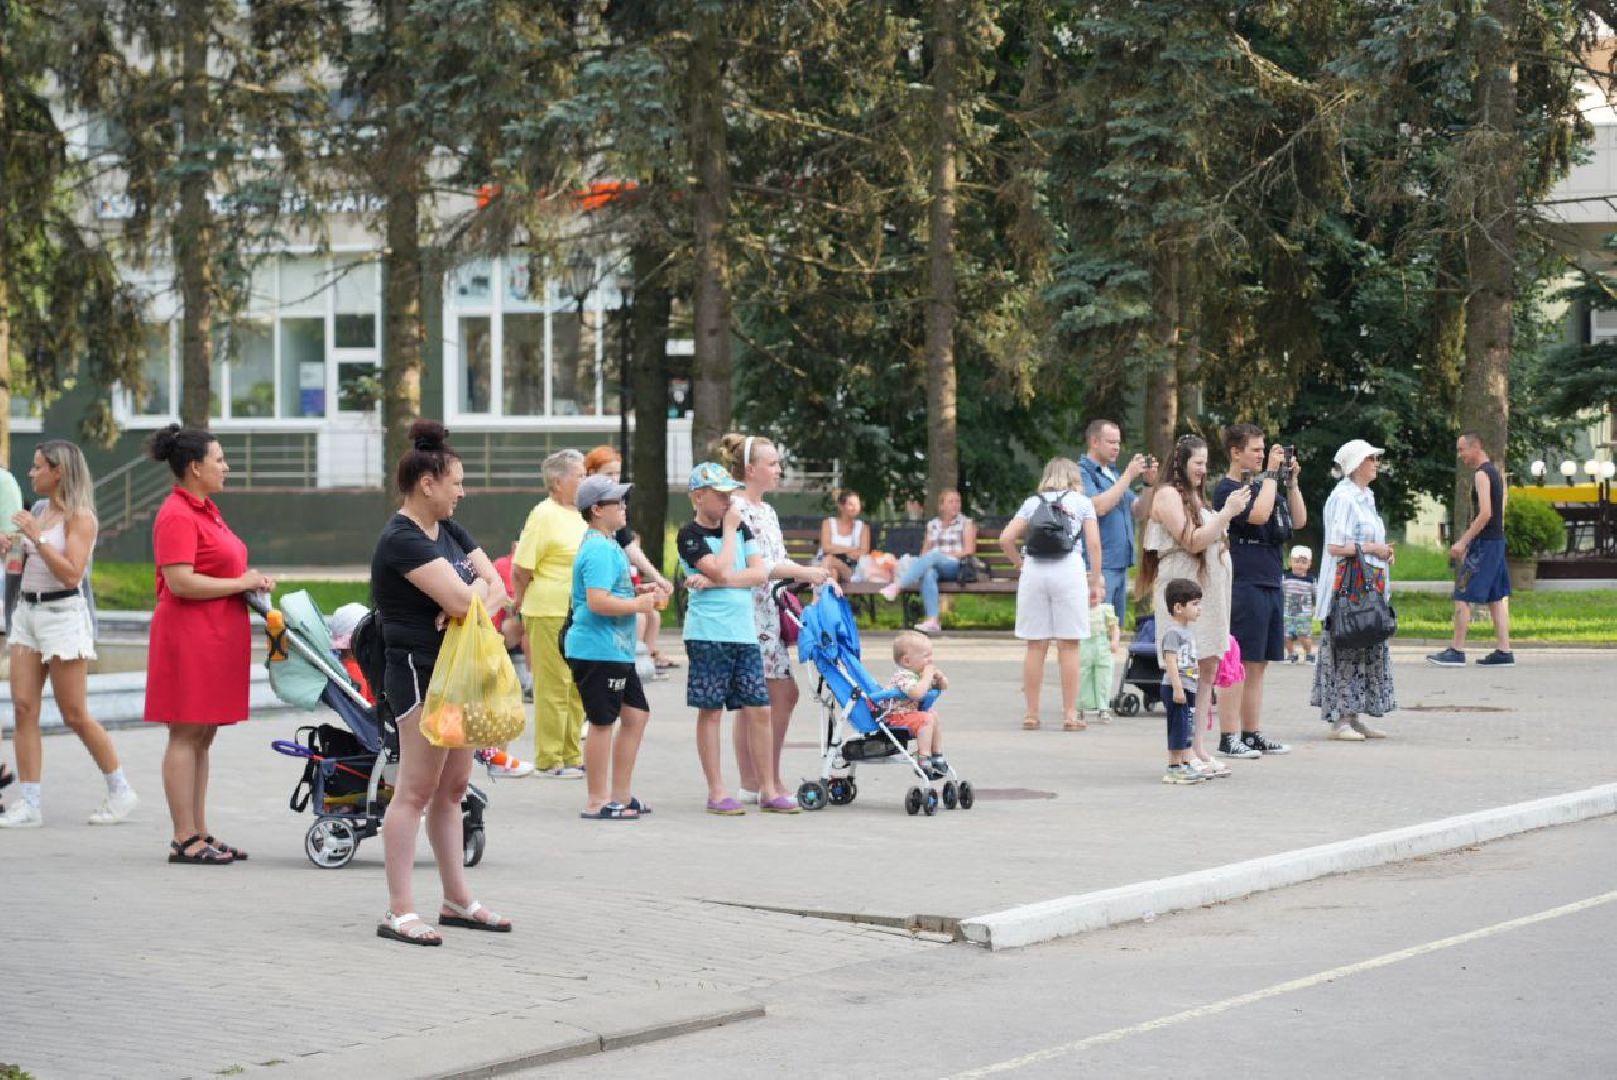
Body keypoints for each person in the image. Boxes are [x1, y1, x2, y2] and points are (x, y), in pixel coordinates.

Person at [371, 420, 512, 944]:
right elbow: (462, 600)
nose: (462, 491)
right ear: (426, 484)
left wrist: (468, 599)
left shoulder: (451, 532)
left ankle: (457, 900)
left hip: (459, 674)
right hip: (418, 674)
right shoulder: (402, 539)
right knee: (415, 789)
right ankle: (400, 910)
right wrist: (467, 600)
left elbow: (499, 585)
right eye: (455, 482)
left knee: (454, 789)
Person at [143, 425, 274, 864]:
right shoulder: (177, 513)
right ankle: (184, 836)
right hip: (188, 635)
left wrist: (251, 583)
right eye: (219, 459)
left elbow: (216, 567)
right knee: (185, 731)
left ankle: (198, 828)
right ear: (195, 467)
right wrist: (242, 581)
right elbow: (180, 582)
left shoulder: (205, 510)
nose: (226, 467)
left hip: (214, 634)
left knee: (203, 734)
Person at [0, 441, 136, 829]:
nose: (31, 473)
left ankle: (120, 788)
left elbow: (72, 573)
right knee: (24, 709)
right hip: (28, 612)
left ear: (58, 471)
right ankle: (29, 803)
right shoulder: (40, 511)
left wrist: (37, 540)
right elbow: (22, 566)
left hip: (63, 614)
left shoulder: (81, 518)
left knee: (74, 713)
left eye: (37, 466)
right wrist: (10, 548)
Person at [714, 433, 832, 807]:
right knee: (777, 693)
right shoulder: (736, 508)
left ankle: (756, 778)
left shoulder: (765, 510)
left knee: (762, 696)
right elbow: (759, 564)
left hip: (767, 608)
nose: (779, 469)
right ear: (750, 469)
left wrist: (806, 576)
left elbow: (775, 561)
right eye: (772, 463)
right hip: (747, 610)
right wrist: (808, 571)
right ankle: (765, 778)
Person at [676, 462, 797, 815]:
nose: (729, 501)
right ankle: (717, 791)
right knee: (711, 710)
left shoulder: (742, 528)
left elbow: (760, 574)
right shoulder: (690, 535)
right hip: (709, 633)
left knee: (759, 707)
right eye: (720, 495)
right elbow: (723, 567)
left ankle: (768, 788)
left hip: (744, 633)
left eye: (731, 494)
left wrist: (716, 581)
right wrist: (729, 537)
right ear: (699, 497)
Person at [1138, 435, 1250, 777]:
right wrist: (1227, 512)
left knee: (1207, 670)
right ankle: (1182, 750)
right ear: (1181, 462)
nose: (1203, 470)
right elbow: (1191, 540)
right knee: (1185, 669)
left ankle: (1199, 746)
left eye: (1205, 463)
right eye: (1197, 463)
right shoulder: (1168, 495)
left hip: (1210, 594)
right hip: (1184, 590)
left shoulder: (1195, 497)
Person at [566, 473, 660, 820]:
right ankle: (597, 800)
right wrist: (638, 606)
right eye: (616, 503)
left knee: (636, 715)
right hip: (597, 649)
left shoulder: (608, 546)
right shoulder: (598, 549)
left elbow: (611, 594)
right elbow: (597, 602)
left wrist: (639, 594)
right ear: (596, 510)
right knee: (602, 722)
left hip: (614, 649)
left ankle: (620, 794)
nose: (623, 508)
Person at [1209, 424, 1300, 759]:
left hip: (1270, 578)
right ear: (1236, 452)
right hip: (1243, 580)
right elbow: (1259, 516)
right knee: (1238, 661)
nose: (1262, 456)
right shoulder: (1228, 489)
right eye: (1256, 450)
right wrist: (1273, 475)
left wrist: (1291, 482)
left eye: (1265, 450)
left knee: (1259, 664)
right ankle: (1228, 735)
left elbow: (1299, 519)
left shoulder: (1267, 486)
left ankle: (1251, 732)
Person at [999, 457, 1104, 731]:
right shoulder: (1082, 502)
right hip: (1068, 570)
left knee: (1036, 645)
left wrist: (1020, 563)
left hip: (1035, 571)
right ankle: (1070, 715)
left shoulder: (1033, 502)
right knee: (1069, 645)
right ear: (1074, 477)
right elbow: (1093, 544)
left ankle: (1031, 714)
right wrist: (1094, 579)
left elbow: (1005, 538)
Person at [1313, 439, 1397, 740]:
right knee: (1346, 646)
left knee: (1365, 645)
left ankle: (1356, 715)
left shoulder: (1366, 496)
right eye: (1372, 458)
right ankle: (1341, 720)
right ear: (1357, 464)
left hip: (1367, 585)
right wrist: (1373, 548)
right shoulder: (1343, 498)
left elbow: (1366, 540)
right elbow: (1336, 546)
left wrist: (1383, 552)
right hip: (1347, 589)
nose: (1376, 463)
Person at [512, 448, 587, 778]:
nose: (585, 481)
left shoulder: (582, 514)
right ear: (558, 482)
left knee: (577, 686)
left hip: (580, 612)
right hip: (548, 610)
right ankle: (549, 758)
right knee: (553, 685)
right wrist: (521, 604)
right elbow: (522, 568)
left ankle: (572, 754)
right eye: (580, 475)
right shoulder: (543, 515)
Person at [583, 446, 677, 673]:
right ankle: (629, 663)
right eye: (608, 474)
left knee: (635, 708)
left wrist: (654, 578)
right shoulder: (596, 540)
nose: (614, 480)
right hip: (595, 630)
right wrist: (635, 602)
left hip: (608, 613)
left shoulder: (611, 528)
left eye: (617, 474)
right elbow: (596, 599)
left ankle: (638, 661)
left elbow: (628, 545)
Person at [1428, 433, 1514, 668]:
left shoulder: (1481, 474)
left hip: (1485, 545)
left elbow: (1486, 513)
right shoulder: (1495, 472)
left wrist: (1462, 542)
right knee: (1495, 597)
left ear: (1476, 447)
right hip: (1496, 542)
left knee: (1462, 594)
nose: (1460, 455)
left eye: (1462, 450)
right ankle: (1504, 651)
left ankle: (1456, 650)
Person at [1079, 420, 1158, 624]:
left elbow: (1139, 511)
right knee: (1097, 631)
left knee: (1114, 631)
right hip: (1098, 566)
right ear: (1094, 441)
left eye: (1118, 442)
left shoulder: (1112, 473)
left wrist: (1148, 483)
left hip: (1120, 564)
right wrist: (1129, 475)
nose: (1116, 447)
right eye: (1111, 442)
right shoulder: (1083, 472)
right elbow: (1098, 507)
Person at [879, 489, 976, 634]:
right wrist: (934, 557)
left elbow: (969, 551)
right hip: (934, 565)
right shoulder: (933, 524)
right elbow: (924, 553)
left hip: (957, 565)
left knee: (935, 554)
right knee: (929, 572)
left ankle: (897, 586)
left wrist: (942, 554)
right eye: (951, 502)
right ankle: (933, 621)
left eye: (958, 501)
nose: (956, 505)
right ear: (941, 506)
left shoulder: (966, 523)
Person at [1159, 578, 1210, 785]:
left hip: (1188, 686)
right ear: (1178, 607)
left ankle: (1184, 763)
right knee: (1178, 727)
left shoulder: (1188, 631)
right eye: (1195, 604)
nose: (1199, 609)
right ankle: (1173, 767)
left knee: (1187, 727)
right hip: (1175, 688)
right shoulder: (1173, 632)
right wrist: (1178, 688)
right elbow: (1170, 660)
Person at [881, 630, 950, 777]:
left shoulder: (919, 675)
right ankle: (923, 757)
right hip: (895, 717)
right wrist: (927, 677)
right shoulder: (903, 676)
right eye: (926, 656)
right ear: (907, 661)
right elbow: (917, 694)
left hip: (909, 714)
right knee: (926, 718)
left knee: (933, 715)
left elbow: (944, 686)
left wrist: (939, 678)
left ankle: (936, 754)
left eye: (931, 655)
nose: (930, 660)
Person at [1079, 596, 1122, 723]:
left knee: (1104, 677)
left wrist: (1114, 640)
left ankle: (1103, 707)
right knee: (1082, 675)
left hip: (1102, 646)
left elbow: (1114, 627)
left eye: (1101, 588)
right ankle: (1080, 706)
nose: (1095, 592)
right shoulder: (1080, 609)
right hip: (1084, 645)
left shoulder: (1105, 609)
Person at [817, 490, 871, 585]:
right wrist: (851, 549)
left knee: (829, 559)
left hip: (851, 571)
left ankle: (816, 598)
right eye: (851, 504)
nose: (855, 508)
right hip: (827, 567)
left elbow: (863, 552)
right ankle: (828, 599)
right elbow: (826, 548)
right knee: (833, 572)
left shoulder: (863, 527)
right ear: (841, 506)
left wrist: (836, 549)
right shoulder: (828, 523)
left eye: (857, 504)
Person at [1283, 546, 1317, 663]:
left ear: (1309, 564)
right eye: (1296, 561)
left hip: (1304, 615)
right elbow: (1280, 593)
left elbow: (1316, 594)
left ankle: (1309, 654)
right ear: (1290, 562)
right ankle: (1291, 654)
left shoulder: (1311, 580)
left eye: (1303, 562)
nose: (1299, 565)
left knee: (1304, 637)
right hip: (1287, 614)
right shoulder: (1285, 578)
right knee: (1286, 636)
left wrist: (1316, 607)